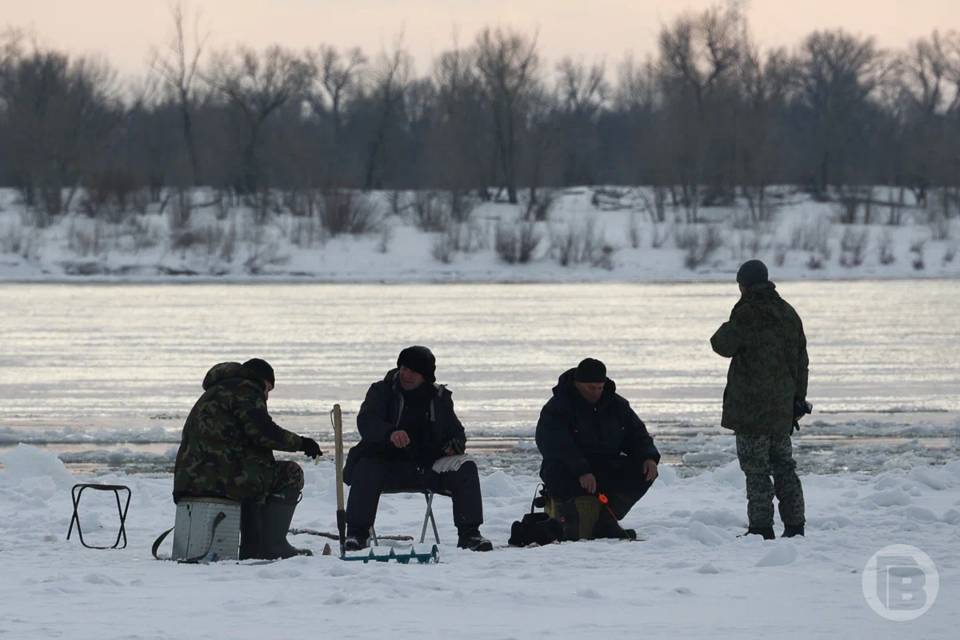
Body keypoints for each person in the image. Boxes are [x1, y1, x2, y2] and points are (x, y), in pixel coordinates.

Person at [342, 346, 492, 552]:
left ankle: (470, 534)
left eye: (414, 371)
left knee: (466, 466)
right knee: (366, 466)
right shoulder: (381, 391)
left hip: (426, 467)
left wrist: (454, 445)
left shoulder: (439, 398)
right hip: (385, 465)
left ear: (426, 376)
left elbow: (457, 433)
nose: (407, 375)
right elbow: (366, 422)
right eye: (404, 368)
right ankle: (357, 535)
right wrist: (390, 433)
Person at [173, 358, 323, 559]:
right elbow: (263, 432)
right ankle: (270, 545)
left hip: (192, 478)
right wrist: (302, 443)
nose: (267, 396)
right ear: (261, 380)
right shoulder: (246, 389)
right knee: (289, 473)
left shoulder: (217, 392)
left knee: (255, 472)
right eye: (268, 389)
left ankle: (253, 543)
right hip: (218, 477)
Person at [711, 260, 809, 540]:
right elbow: (802, 360)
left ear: (743, 284)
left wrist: (733, 318)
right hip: (781, 409)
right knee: (785, 468)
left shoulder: (747, 312)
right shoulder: (788, 312)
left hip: (751, 411)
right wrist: (798, 399)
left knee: (756, 471)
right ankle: (795, 526)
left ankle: (761, 528)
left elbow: (721, 345)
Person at [535, 358, 660, 541]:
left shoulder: (618, 405)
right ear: (577, 384)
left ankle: (607, 520)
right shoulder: (557, 407)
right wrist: (581, 470)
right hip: (567, 470)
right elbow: (555, 444)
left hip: (605, 467)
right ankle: (572, 522)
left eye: (599, 387)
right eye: (590, 388)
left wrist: (648, 457)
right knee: (559, 477)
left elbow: (638, 435)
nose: (596, 392)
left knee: (644, 471)